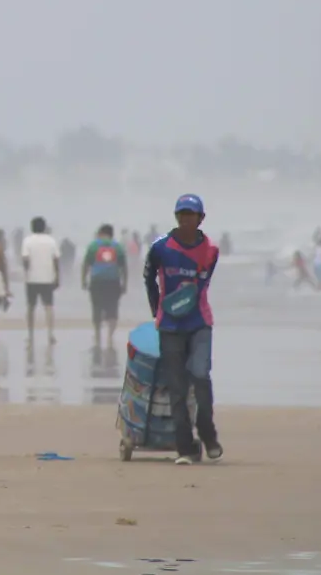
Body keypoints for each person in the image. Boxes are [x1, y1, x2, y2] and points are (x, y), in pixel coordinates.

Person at [143, 194, 223, 465]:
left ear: (201, 218)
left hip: (200, 322)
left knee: (200, 376)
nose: (186, 219)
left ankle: (208, 434)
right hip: (169, 325)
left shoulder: (211, 250)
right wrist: (157, 308)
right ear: (176, 217)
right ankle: (185, 448)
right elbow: (148, 276)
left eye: (191, 214)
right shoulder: (161, 247)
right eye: (182, 214)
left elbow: (203, 284)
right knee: (177, 387)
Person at [82, 224, 127, 350]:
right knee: (112, 308)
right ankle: (110, 336)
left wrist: (83, 280)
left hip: (97, 281)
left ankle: (97, 335)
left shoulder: (93, 245)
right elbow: (123, 267)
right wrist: (124, 283)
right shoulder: (118, 247)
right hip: (113, 281)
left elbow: (86, 264)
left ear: (101, 233)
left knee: (97, 307)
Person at [21, 216, 60, 349]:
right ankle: (50, 334)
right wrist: (57, 277)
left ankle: (30, 334)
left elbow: (25, 259)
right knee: (48, 307)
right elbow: (56, 260)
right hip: (47, 278)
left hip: (32, 279)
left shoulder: (27, 241)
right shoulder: (51, 241)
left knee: (31, 307)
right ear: (44, 227)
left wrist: (26, 273)